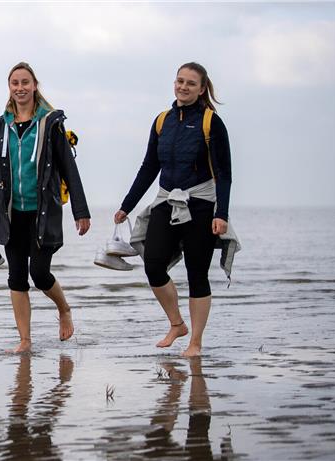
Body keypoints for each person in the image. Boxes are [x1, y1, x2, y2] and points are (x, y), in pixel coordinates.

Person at [114, 62, 232, 357]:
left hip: (201, 206)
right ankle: (177, 324)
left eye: (191, 83)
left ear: (202, 89)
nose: (183, 86)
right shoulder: (162, 121)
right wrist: (126, 206)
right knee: (153, 264)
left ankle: (195, 343)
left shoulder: (210, 122)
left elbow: (224, 173)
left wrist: (222, 214)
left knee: (197, 274)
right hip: (166, 202)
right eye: (180, 81)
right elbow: (149, 167)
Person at [0, 62, 91, 353]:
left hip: (43, 213)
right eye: (15, 83)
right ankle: (25, 340)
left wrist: (81, 211)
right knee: (16, 276)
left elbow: (69, 169)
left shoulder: (50, 123)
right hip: (12, 215)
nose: (20, 88)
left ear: (35, 85)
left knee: (39, 274)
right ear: (9, 88)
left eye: (25, 82)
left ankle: (63, 309)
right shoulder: (2, 126)